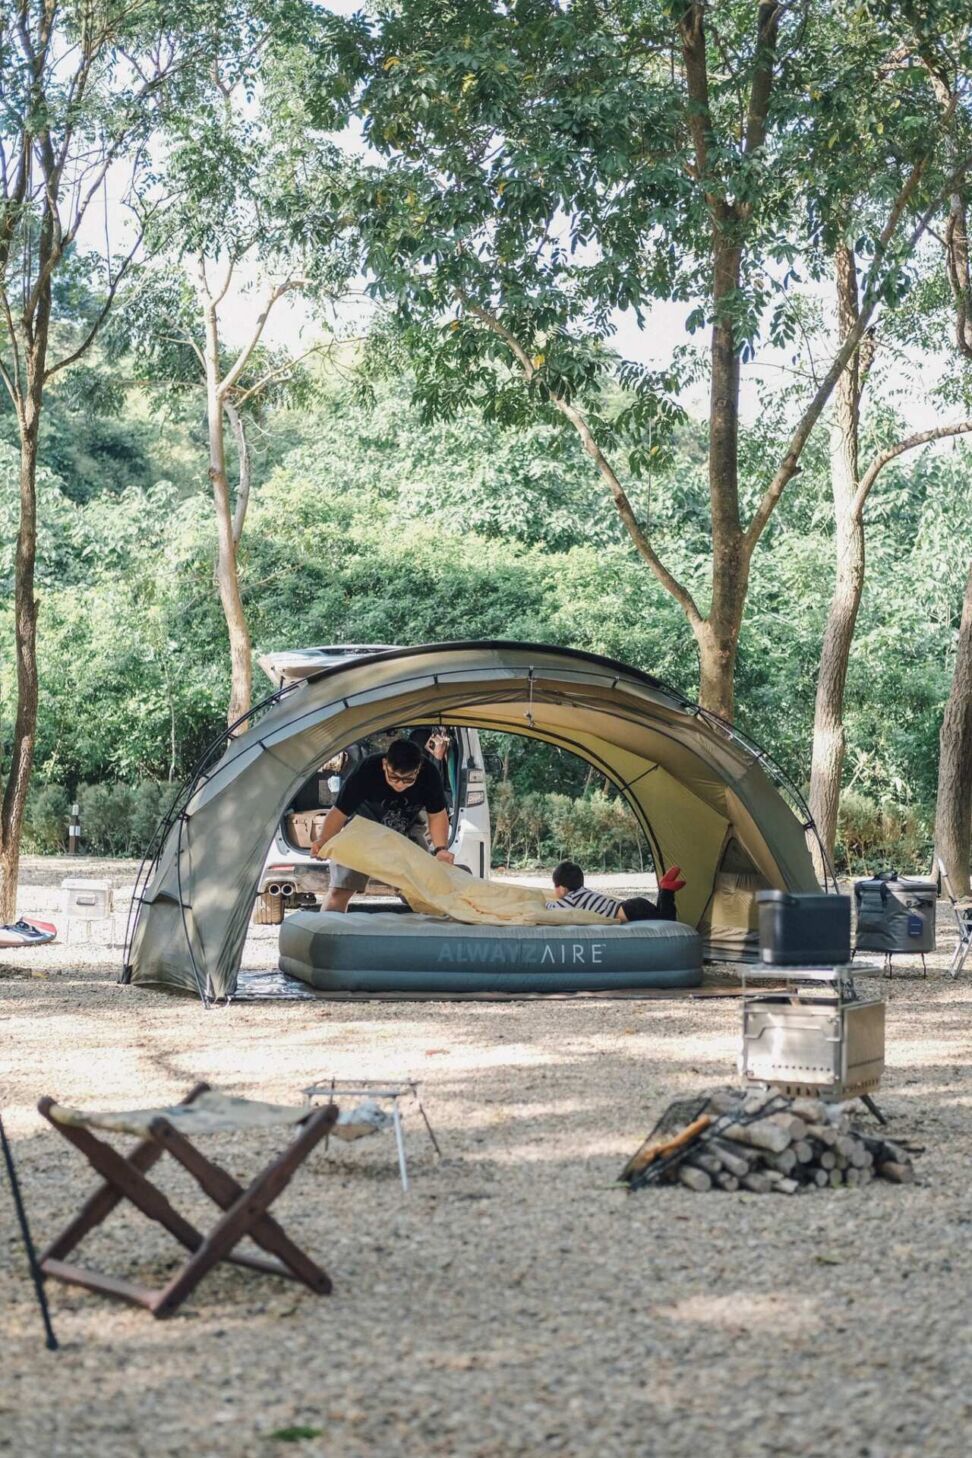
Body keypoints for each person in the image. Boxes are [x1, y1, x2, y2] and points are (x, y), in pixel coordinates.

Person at [311, 737, 455, 912]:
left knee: (424, 889)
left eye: (408, 779)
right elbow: (339, 811)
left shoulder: (429, 774)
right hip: (364, 828)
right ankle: (329, 926)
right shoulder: (367, 769)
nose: (400, 784)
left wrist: (441, 849)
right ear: (385, 764)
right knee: (340, 889)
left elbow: (437, 814)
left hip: (406, 829)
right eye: (394, 777)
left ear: (418, 769)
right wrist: (324, 840)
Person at [545, 860, 686, 922]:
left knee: (667, 919)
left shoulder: (571, 899)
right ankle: (665, 888)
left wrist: (545, 903)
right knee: (660, 913)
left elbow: (552, 908)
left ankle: (666, 889)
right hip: (633, 905)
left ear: (562, 889)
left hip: (631, 911)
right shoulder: (583, 891)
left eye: (555, 886)